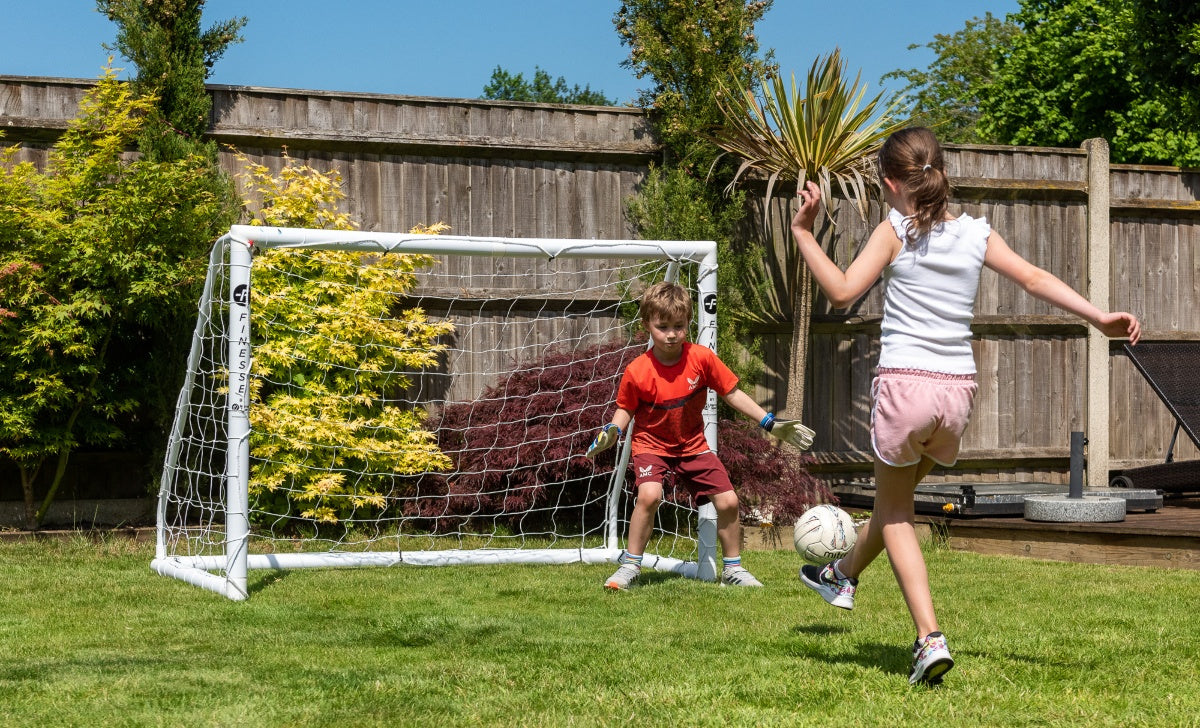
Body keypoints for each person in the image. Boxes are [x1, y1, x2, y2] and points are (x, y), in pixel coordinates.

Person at [789, 127, 1141, 685]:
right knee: (893, 497)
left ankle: (929, 638)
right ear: (942, 174)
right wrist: (1097, 317)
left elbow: (840, 290)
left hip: (906, 388)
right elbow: (1034, 276)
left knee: (897, 511)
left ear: (888, 184)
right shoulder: (977, 233)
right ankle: (841, 575)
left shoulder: (893, 231)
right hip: (957, 395)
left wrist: (804, 232)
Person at [585, 280, 813, 591]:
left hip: (693, 446)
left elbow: (732, 393)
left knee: (729, 501)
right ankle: (629, 566)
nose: (671, 334)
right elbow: (624, 410)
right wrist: (612, 431)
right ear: (646, 325)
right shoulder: (637, 371)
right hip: (651, 445)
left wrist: (769, 422)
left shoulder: (701, 359)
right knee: (650, 496)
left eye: (679, 326)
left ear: (689, 323)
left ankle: (733, 569)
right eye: (662, 326)